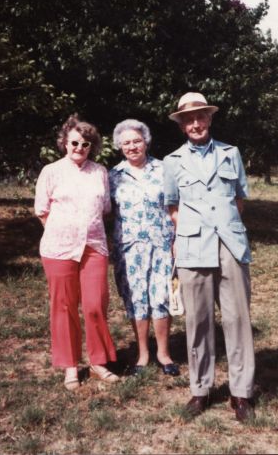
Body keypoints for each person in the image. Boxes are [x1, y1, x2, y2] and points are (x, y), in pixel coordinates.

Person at [162, 92, 255, 422]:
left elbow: (239, 201)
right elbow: (172, 206)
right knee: (198, 323)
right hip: (192, 248)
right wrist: (192, 228)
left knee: (237, 320)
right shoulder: (172, 162)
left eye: (201, 117)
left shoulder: (231, 153)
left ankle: (240, 393)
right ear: (182, 125)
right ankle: (200, 390)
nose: (196, 123)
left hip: (230, 245)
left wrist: (223, 228)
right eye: (189, 119)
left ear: (210, 119)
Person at [34, 114, 119, 391]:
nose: (79, 148)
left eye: (85, 144)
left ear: (91, 146)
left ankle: (98, 362)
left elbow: (105, 208)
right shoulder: (51, 171)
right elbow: (42, 210)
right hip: (58, 249)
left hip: (94, 247)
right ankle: (70, 365)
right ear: (64, 143)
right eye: (74, 142)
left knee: (95, 305)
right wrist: (62, 231)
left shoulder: (100, 172)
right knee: (64, 306)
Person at [109, 119, 179, 377]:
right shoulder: (112, 176)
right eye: (126, 142)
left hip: (162, 245)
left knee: (161, 297)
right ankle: (142, 355)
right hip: (128, 249)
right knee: (136, 298)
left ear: (146, 141)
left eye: (136, 140)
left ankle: (164, 353)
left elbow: (176, 206)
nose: (132, 146)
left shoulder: (164, 170)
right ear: (120, 146)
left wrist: (177, 240)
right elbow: (104, 211)